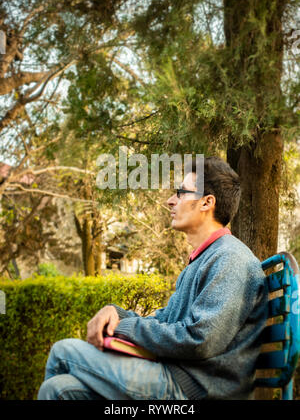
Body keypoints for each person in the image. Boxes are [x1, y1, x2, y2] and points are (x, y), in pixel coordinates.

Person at [38, 156, 268, 400]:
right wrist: (118, 314)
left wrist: (124, 327)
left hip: (195, 389)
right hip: (178, 376)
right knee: (57, 389)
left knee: (63, 351)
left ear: (206, 203)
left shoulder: (231, 259)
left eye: (181, 193)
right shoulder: (203, 259)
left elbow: (200, 340)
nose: (170, 201)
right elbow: (167, 320)